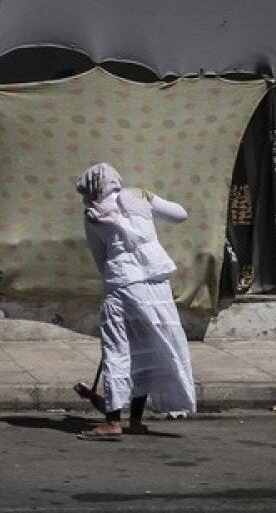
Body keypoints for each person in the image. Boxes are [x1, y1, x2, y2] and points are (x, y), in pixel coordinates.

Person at [72, 162, 198, 441]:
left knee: (117, 349)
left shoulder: (93, 215)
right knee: (148, 347)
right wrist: (149, 197)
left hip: (122, 283)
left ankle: (112, 422)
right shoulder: (139, 197)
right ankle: (136, 420)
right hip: (156, 283)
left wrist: (117, 279)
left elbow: (101, 259)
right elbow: (180, 215)